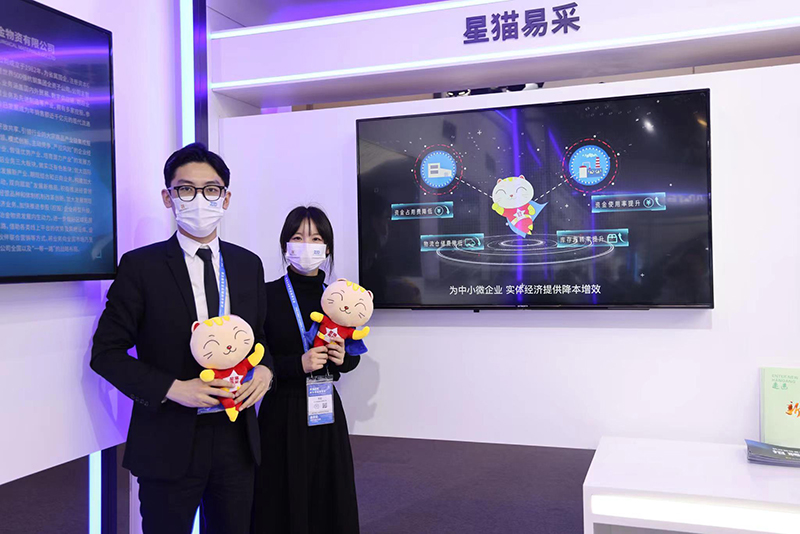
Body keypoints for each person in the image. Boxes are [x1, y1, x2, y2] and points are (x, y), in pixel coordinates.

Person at [91, 143, 274, 534]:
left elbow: (260, 340)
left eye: (211, 190)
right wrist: (173, 388)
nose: (199, 199)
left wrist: (265, 372)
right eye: (186, 189)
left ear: (225, 198)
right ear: (168, 197)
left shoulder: (247, 265)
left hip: (236, 437)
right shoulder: (141, 267)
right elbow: (106, 354)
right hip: (168, 437)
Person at [252, 206, 360, 534]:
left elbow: (353, 357)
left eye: (315, 239)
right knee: (280, 496)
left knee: (327, 495)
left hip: (325, 408)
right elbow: (256, 358)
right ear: (285, 245)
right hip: (280, 411)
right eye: (298, 238)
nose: (306, 245)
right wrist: (296, 364)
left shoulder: (338, 296)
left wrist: (342, 357)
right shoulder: (266, 294)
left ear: (327, 248)